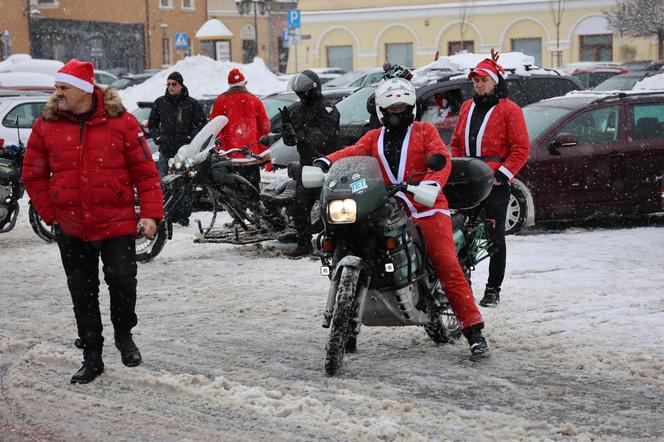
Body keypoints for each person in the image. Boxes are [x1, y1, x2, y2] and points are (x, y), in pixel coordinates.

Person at [315, 77, 489, 356]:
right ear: (382, 112)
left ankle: (474, 331)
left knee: (446, 264)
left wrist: (431, 184)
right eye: (392, 109)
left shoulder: (425, 132)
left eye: (403, 108)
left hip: (426, 207)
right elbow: (353, 153)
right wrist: (327, 161)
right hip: (388, 208)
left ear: (412, 108)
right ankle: (347, 321)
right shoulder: (374, 137)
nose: (398, 113)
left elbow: (440, 158)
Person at [22, 59, 164, 384]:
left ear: (85, 90)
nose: (57, 94)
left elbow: (145, 172)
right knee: (82, 293)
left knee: (123, 282)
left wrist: (152, 214)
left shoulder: (122, 123)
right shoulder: (47, 125)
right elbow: (33, 174)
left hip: (115, 222)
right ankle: (92, 355)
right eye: (57, 87)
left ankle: (124, 334)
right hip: (71, 226)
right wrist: (51, 213)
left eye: (63, 88)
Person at [450, 50, 530, 307]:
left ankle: (493, 289)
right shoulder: (466, 107)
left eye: (483, 80)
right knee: (460, 232)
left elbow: (520, 148)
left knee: (495, 237)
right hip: (468, 180)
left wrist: (502, 174)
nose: (478, 85)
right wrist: (457, 166)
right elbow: (455, 143)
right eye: (475, 81)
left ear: (495, 81)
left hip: (495, 182)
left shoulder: (510, 110)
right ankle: (463, 284)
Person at [280, 69, 340, 258]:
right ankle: (304, 243)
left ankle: (335, 243)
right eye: (299, 93)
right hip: (307, 165)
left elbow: (323, 136)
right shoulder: (298, 110)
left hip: (326, 164)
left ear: (314, 89)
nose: (302, 96)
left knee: (331, 206)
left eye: (304, 92)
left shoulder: (327, 108)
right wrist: (287, 130)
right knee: (300, 205)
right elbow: (291, 141)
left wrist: (301, 133)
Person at [209, 68, 270, 191]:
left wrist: (218, 145)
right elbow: (265, 126)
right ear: (244, 84)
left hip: (229, 154)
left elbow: (213, 127)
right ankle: (255, 208)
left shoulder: (220, 101)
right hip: (251, 155)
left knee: (233, 189)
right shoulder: (254, 100)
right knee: (252, 187)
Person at [148, 71, 207, 177]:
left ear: (181, 85)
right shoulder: (160, 102)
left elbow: (202, 125)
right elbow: (152, 123)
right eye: (168, 84)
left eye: (174, 84)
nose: (171, 87)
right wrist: (157, 137)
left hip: (185, 152)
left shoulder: (192, 103)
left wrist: (191, 138)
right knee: (164, 182)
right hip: (165, 150)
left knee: (186, 183)